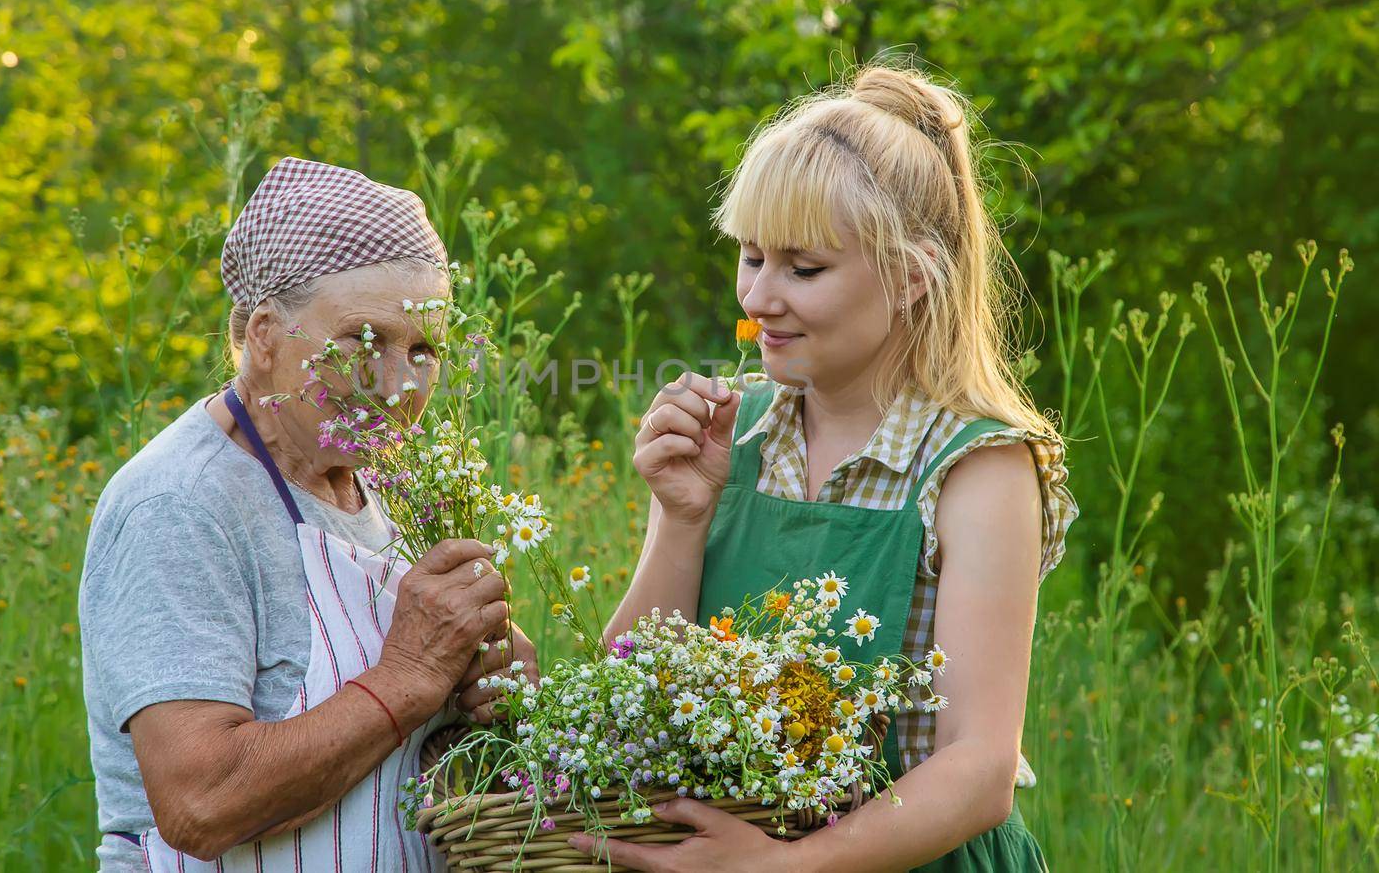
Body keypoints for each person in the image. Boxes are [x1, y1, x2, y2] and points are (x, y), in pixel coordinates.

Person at [587, 64, 1078, 872]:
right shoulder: (730, 433)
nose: (758, 298)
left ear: (912, 278)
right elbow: (627, 714)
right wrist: (681, 518)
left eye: (802, 269)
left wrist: (768, 867)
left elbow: (979, 769)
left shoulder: (976, 468)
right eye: (750, 258)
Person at [79, 157, 534, 869]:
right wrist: (411, 676)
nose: (399, 385)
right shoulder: (182, 504)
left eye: (422, 348)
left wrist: (497, 694)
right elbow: (200, 804)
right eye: (364, 341)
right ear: (263, 334)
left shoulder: (390, 492)